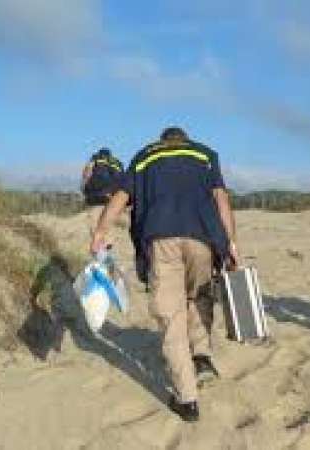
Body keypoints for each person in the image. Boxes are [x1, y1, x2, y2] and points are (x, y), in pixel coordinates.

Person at [90, 127, 238, 422]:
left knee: (171, 315)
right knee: (199, 295)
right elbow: (221, 199)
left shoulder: (144, 156)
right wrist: (231, 242)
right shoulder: (205, 154)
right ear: (184, 139)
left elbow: (120, 197)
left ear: (163, 141)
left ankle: (187, 399)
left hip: (161, 238)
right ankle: (202, 356)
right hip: (203, 237)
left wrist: (101, 231)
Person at [81, 147, 125, 242]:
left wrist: (85, 191)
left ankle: (100, 251)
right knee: (108, 227)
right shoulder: (116, 163)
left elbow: (86, 175)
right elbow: (122, 181)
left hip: (94, 199)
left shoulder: (94, 160)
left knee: (95, 228)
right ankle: (107, 246)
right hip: (110, 200)